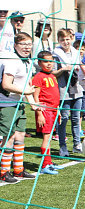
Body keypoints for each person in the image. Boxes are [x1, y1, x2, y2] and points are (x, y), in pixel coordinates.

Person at [0, 32, 37, 183]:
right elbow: (6, 84)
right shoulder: (12, 61)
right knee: (8, 138)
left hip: (19, 103)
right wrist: (26, 92)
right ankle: (3, 171)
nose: (27, 47)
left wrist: (33, 102)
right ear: (15, 45)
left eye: (29, 44)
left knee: (20, 135)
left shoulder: (27, 61)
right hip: (6, 104)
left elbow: (26, 84)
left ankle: (18, 169)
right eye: (23, 44)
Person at [53, 28, 84, 156]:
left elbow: (82, 68)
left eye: (67, 39)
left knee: (76, 118)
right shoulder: (56, 54)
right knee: (64, 118)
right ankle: (62, 146)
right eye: (62, 40)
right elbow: (53, 72)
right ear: (58, 40)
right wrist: (65, 68)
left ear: (71, 39)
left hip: (77, 88)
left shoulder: (76, 53)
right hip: (63, 89)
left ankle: (77, 143)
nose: (65, 42)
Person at [32, 51, 63, 174]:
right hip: (45, 111)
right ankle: (45, 165)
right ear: (39, 63)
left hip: (54, 110)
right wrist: (39, 113)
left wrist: (58, 110)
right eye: (45, 61)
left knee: (49, 137)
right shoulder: (39, 77)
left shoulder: (52, 76)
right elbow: (36, 98)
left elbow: (55, 96)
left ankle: (49, 162)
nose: (49, 64)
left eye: (51, 61)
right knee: (46, 137)